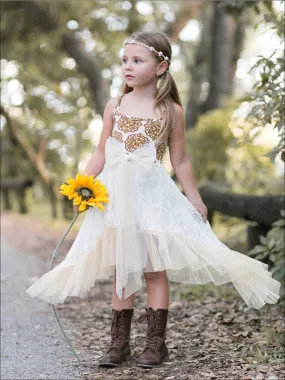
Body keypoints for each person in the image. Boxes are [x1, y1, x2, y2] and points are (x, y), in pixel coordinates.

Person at [26, 31, 281, 369]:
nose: (127, 67)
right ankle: (118, 344)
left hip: (151, 198)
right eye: (124, 61)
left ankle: (155, 345)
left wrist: (195, 198)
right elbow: (102, 150)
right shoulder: (115, 106)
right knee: (122, 268)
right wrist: (82, 187)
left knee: (152, 269)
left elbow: (181, 160)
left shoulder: (170, 110)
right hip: (116, 198)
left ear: (161, 67)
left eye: (136, 60)